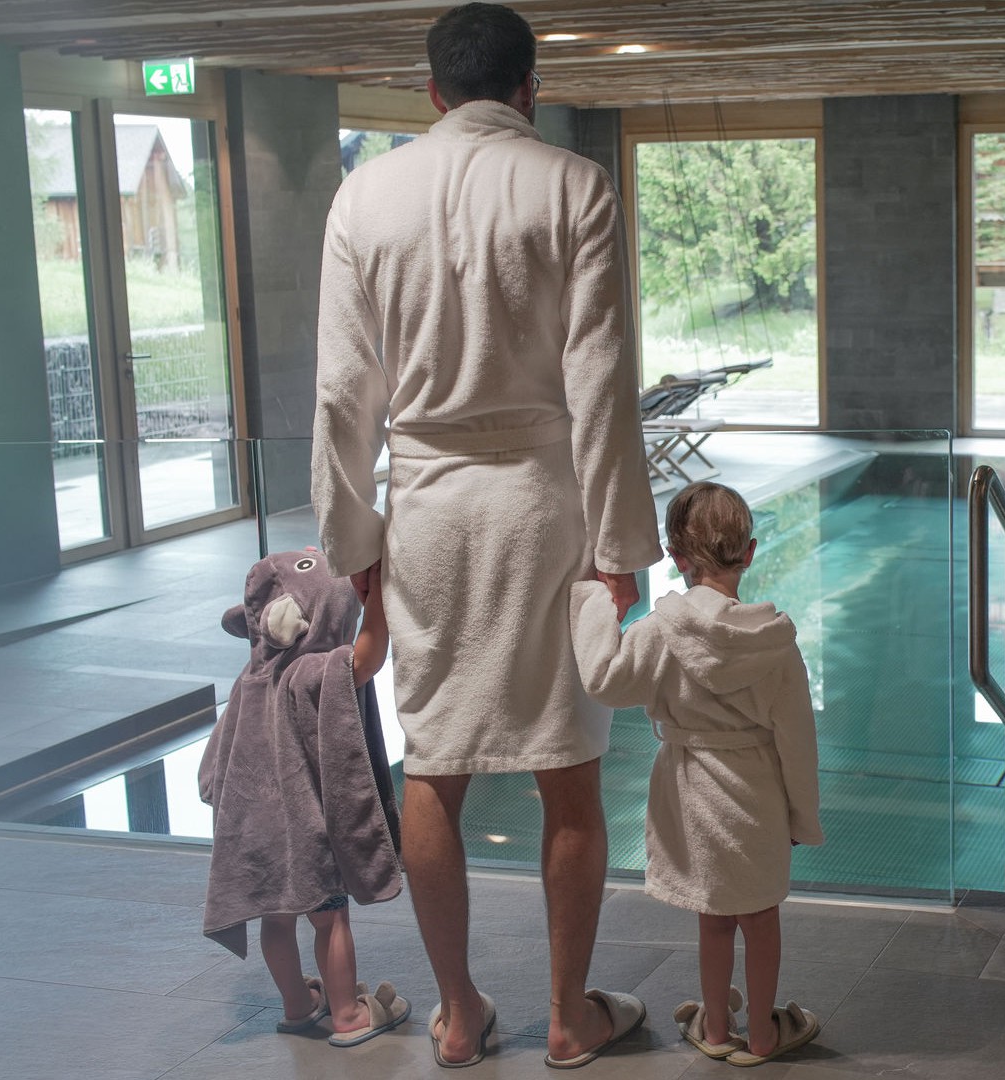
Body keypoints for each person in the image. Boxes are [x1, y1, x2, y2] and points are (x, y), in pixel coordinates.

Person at [310, 1, 661, 1068]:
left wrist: (355, 549)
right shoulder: (575, 188)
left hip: (429, 512)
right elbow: (601, 382)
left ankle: (460, 1014)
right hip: (545, 506)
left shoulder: (364, 197)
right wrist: (621, 548)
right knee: (570, 774)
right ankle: (567, 1017)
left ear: (430, 92)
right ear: (529, 88)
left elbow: (339, 397)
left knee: (434, 762)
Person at [570, 482, 826, 1067]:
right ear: (751, 552)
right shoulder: (775, 641)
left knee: (714, 915)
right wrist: (800, 815)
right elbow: (798, 742)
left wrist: (597, 604)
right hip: (758, 792)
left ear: (677, 559)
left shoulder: (661, 632)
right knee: (760, 916)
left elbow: (605, 680)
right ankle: (761, 1035)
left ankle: (715, 1028)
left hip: (692, 791)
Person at [199, 551, 408, 1048]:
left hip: (255, 831)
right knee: (329, 918)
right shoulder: (311, 673)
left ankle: (297, 1005)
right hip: (304, 832)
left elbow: (215, 767)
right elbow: (370, 654)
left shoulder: (249, 681)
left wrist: (221, 799)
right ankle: (348, 1013)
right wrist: (380, 593)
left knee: (276, 919)